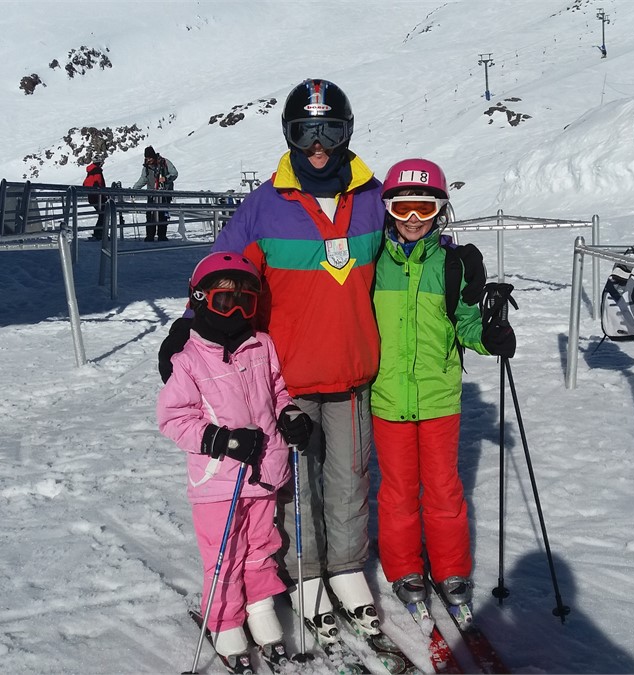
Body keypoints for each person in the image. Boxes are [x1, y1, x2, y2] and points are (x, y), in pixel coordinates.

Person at [160, 78, 385, 643]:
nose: (317, 145)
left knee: (350, 479)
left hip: (352, 370)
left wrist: (456, 267)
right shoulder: (264, 205)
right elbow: (223, 272)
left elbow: (415, 242)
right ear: (289, 135)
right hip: (285, 377)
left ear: (346, 132)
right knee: (291, 484)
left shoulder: (374, 198)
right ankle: (305, 573)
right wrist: (186, 324)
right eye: (305, 131)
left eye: (329, 129)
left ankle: (348, 568)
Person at [370, 158, 515, 613]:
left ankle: (450, 565)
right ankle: (403, 566)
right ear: (388, 209)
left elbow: (466, 325)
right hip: (387, 397)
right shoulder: (371, 261)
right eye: (403, 209)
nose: (413, 220)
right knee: (396, 491)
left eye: (424, 209)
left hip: (438, 399)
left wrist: (489, 338)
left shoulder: (454, 265)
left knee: (443, 487)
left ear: (441, 211)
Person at [156, 252, 314, 671]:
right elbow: (173, 418)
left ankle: (261, 612)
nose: (239, 311)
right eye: (227, 302)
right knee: (224, 554)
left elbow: (278, 390)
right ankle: (225, 622)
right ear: (201, 299)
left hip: (264, 472)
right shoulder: (188, 358)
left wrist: (290, 415)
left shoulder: (262, 345)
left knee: (262, 548)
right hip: (218, 481)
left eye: (249, 300)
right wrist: (221, 440)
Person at [133, 145, 178, 241]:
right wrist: (134, 189)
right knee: (150, 215)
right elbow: (143, 179)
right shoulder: (146, 167)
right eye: (146, 158)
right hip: (152, 194)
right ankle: (150, 235)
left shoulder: (165, 162)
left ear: (153, 156)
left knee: (163, 215)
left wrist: (166, 178)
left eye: (149, 158)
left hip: (164, 194)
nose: (148, 160)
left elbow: (174, 173)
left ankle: (162, 235)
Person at [83, 159, 108, 240]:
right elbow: (99, 183)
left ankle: (99, 232)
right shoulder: (97, 171)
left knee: (102, 214)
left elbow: (85, 184)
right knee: (104, 214)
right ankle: (99, 233)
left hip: (92, 197)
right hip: (98, 197)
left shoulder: (90, 171)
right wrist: (103, 194)